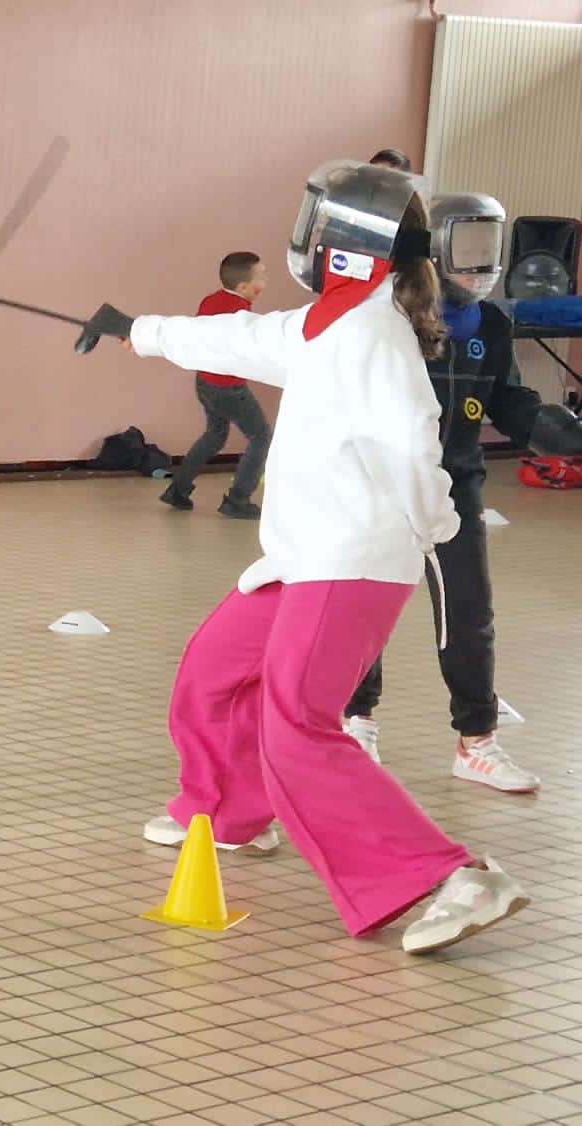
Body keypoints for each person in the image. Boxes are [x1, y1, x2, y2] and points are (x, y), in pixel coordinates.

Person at [87, 160, 530, 954]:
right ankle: (230, 816)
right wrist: (139, 331)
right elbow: (241, 336)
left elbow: (410, 444)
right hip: (302, 554)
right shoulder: (331, 320)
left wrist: (432, 527)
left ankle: (452, 877)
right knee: (214, 670)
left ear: (342, 242)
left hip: (351, 557)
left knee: (298, 724)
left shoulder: (373, 334)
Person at [342, 192, 582, 790]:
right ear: (434, 248)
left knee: (469, 617)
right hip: (378, 489)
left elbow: (505, 398)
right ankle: (356, 723)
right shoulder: (386, 314)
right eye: (466, 247)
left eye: (488, 247)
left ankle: (477, 742)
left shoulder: (493, 324)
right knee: (362, 612)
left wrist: (544, 427)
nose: (478, 263)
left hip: (456, 493)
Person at [159, 251, 272, 518]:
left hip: (206, 384)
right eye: (263, 276)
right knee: (261, 437)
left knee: (215, 434)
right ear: (244, 288)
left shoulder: (210, 301)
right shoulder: (240, 313)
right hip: (229, 389)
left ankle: (178, 490)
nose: (266, 281)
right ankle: (238, 500)